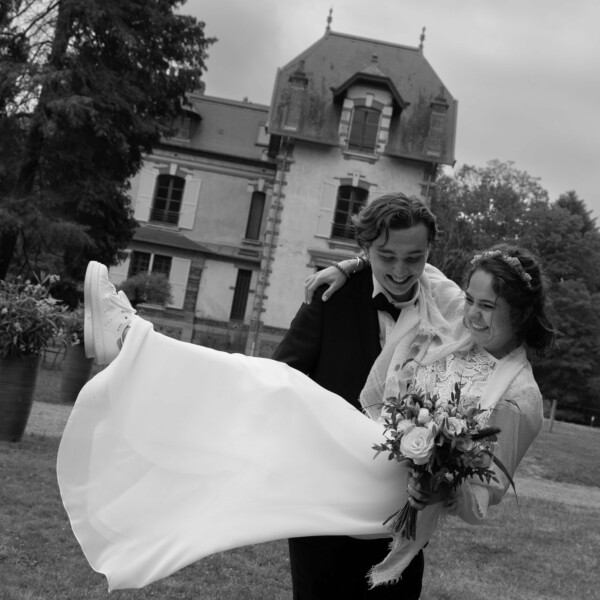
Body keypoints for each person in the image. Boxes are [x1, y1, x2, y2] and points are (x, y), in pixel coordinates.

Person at [56, 243, 556, 593]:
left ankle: (133, 339)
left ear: (523, 313)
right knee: (265, 417)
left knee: (284, 391)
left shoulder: (520, 398)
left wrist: (439, 485)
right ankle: (137, 357)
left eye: (487, 306)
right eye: (470, 298)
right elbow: (411, 266)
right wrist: (349, 265)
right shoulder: (457, 313)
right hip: (375, 447)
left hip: (393, 494)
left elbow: (478, 501)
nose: (471, 313)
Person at [271, 193, 465, 599]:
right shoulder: (331, 297)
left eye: (414, 258)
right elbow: (283, 379)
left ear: (429, 253)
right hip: (323, 512)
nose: (399, 270)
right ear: (366, 248)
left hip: (399, 517)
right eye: (385, 256)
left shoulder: (446, 307)